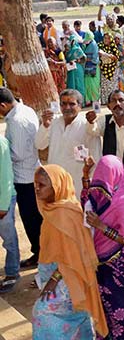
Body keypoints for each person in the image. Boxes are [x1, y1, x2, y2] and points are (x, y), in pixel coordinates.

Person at [31, 165, 109, 339]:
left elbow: (73, 255)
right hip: (56, 273)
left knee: (42, 313)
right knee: (73, 318)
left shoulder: (66, 213)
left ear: (57, 186)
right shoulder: (51, 209)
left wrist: (54, 279)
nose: (36, 188)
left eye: (42, 185)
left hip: (70, 275)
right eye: (35, 184)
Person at [80, 156, 124, 339]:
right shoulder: (103, 195)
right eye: (100, 178)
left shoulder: (123, 203)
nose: (102, 184)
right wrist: (86, 175)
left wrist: (101, 227)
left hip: (119, 270)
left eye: (106, 177)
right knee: (107, 312)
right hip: (100, 266)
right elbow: (87, 200)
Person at [0, 88, 42, 270]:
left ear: (3, 105)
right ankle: (39, 253)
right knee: (34, 218)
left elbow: (17, 154)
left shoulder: (16, 121)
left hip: (24, 177)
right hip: (32, 172)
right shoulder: (25, 109)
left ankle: (41, 255)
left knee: (31, 219)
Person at [35, 89, 101, 198]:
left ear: (80, 106)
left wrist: (90, 183)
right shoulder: (54, 123)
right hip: (56, 181)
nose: (67, 108)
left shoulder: (87, 126)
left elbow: (96, 156)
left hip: (78, 184)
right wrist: (45, 127)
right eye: (63, 104)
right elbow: (39, 144)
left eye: (72, 104)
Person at [0, 134, 18, 293]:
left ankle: (12, 272)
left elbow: (5, 177)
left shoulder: (1, 143)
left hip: (3, 200)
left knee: (9, 239)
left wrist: (3, 206)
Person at [98, 33, 121, 104]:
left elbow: (116, 57)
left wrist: (107, 55)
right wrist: (107, 55)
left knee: (113, 86)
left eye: (108, 38)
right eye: (105, 38)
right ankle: (105, 101)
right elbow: (99, 53)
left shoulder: (113, 46)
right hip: (103, 69)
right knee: (104, 86)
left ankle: (114, 100)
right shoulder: (100, 45)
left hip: (113, 69)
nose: (106, 40)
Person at [82, 32, 101, 105]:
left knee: (94, 84)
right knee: (87, 83)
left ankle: (95, 99)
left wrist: (86, 59)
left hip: (93, 67)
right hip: (87, 67)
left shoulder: (94, 45)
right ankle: (88, 99)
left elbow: (95, 58)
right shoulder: (86, 44)